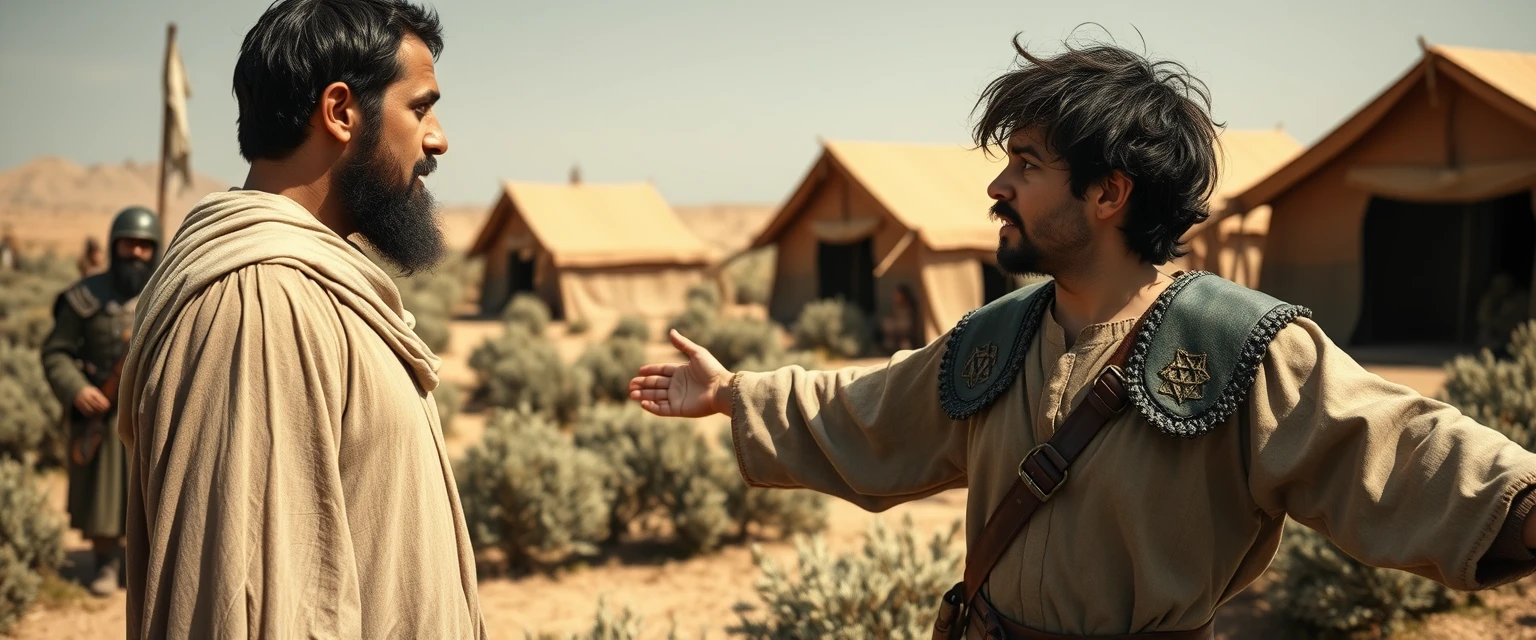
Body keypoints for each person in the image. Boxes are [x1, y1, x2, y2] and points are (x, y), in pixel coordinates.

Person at [630, 38, 1536, 638]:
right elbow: (873, 407)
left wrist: (1521, 503)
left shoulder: (1239, 343)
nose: (999, 188)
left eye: (1026, 165)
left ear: (1109, 194)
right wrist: (733, 394)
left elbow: (1389, 441)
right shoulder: (996, 338)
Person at [115, 1, 484, 637]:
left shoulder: (301, 287)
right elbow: (252, 602)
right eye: (420, 107)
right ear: (341, 112)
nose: (438, 138)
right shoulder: (259, 303)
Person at [40, 206, 159, 597]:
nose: (137, 253)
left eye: (144, 246)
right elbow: (55, 352)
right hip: (102, 415)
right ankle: (106, 561)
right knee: (105, 492)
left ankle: (148, 566)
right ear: (113, 246)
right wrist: (76, 388)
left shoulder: (166, 291)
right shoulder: (84, 297)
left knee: (155, 490)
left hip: (152, 413)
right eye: (129, 244)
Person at [879, 284, 922, 353]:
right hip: (897, 325)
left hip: (905, 326)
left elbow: (912, 320)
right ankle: (890, 347)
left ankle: (904, 345)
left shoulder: (909, 306)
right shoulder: (896, 306)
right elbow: (893, 316)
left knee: (904, 340)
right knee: (887, 324)